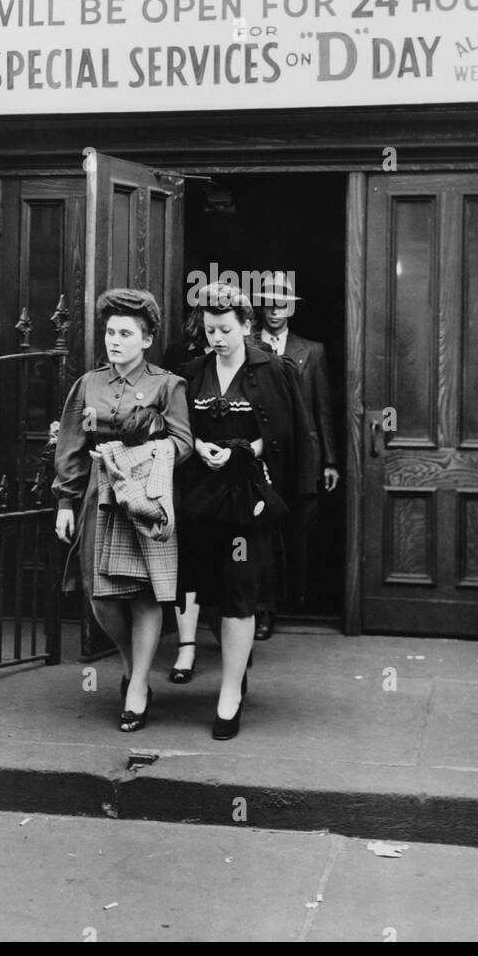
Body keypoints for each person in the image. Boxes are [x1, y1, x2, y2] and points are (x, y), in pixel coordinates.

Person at [53, 288, 193, 733]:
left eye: (125, 333)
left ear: (147, 339)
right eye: (110, 331)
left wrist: (146, 449)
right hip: (100, 495)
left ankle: (137, 688)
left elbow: (184, 442)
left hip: (147, 498)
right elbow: (71, 445)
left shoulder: (167, 385)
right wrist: (65, 501)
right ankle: (133, 664)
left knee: (146, 592)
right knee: (100, 593)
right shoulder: (88, 384)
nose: (114, 340)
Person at [177, 283, 312, 739]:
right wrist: (199, 445)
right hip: (201, 498)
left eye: (225, 329)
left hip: (250, 499)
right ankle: (235, 667)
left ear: (247, 325)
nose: (216, 338)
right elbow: (179, 426)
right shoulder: (193, 373)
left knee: (239, 589)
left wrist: (247, 449)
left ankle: (229, 693)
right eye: (210, 329)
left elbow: (290, 433)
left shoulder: (275, 370)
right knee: (209, 589)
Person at [254, 272, 339, 636]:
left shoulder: (312, 350)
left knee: (301, 529)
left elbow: (322, 410)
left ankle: (298, 599)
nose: (275, 309)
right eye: (269, 302)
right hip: (260, 454)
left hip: (303, 455)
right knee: (262, 532)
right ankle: (263, 610)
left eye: (282, 302)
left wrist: (330, 460)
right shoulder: (246, 343)